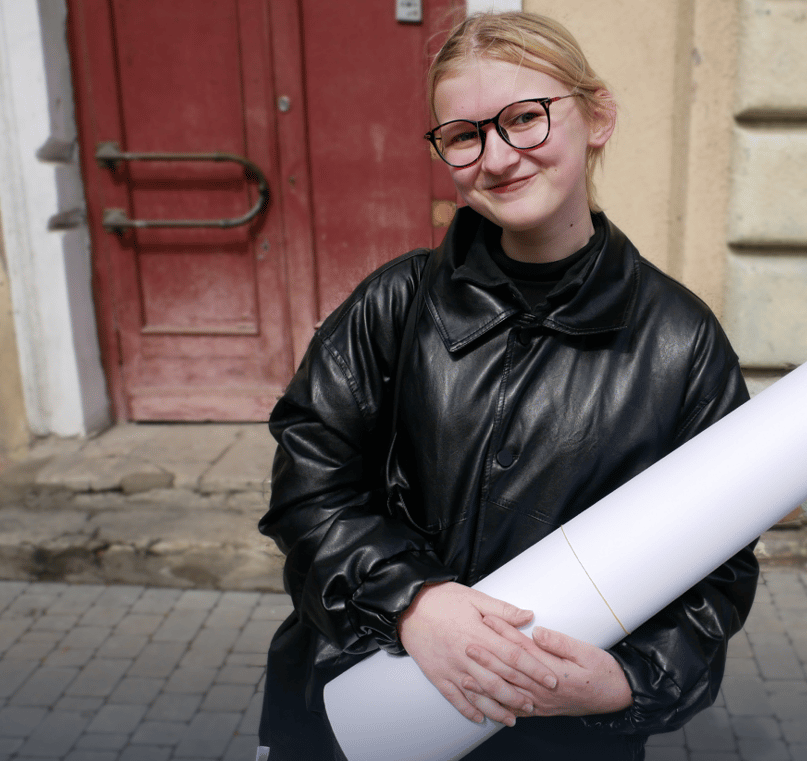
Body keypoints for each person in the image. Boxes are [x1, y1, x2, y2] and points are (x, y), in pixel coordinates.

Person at [257, 11, 758, 761]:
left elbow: (719, 567)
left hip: (558, 741)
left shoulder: (681, 343)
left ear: (597, 116)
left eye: (525, 118)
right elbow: (308, 494)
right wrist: (413, 601)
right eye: (464, 135)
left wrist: (627, 681)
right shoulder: (394, 305)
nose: (496, 157)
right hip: (361, 712)